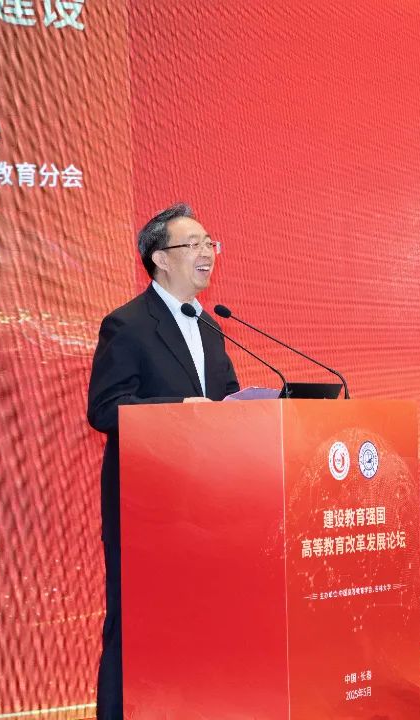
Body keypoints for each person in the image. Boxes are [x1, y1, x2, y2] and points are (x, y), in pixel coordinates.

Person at [86, 203, 240, 719]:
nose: (207, 252)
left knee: (199, 625)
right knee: (133, 628)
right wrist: (180, 409)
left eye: (210, 243)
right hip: (145, 509)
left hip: (206, 509)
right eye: (193, 244)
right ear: (160, 258)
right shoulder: (127, 325)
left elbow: (228, 399)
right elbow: (105, 409)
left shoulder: (211, 325)